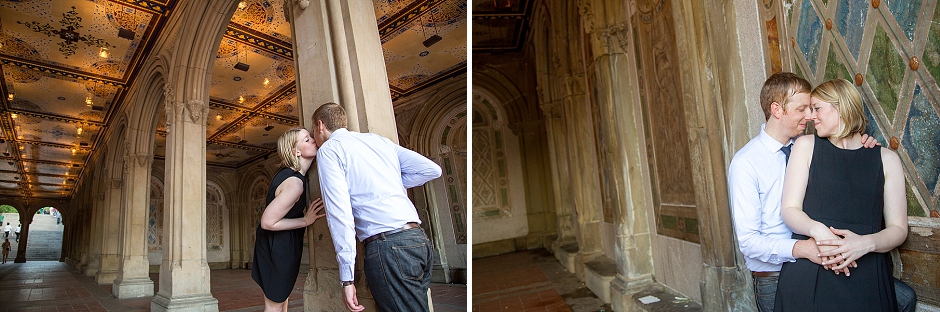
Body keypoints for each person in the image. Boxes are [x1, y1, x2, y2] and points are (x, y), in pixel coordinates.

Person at [729, 73, 915, 312]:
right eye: (804, 109)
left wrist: (864, 145)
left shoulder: (805, 144)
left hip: (855, 264)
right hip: (777, 272)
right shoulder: (748, 162)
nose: (809, 117)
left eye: (814, 108)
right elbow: (749, 241)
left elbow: (895, 225)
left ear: (842, 108)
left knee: (904, 298)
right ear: (777, 110)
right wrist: (810, 245)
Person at [311, 103, 442, 312]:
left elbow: (339, 215)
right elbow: (431, 169)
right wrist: (387, 183)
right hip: (419, 240)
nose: (315, 141)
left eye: (313, 133)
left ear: (320, 126)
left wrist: (347, 278)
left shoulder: (329, 149)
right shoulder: (378, 141)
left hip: (388, 246)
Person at [251, 127, 326, 312]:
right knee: (275, 306)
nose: (313, 140)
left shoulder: (293, 176)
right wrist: (305, 221)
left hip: (279, 245)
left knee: (280, 302)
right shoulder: (295, 183)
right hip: (278, 248)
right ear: (296, 151)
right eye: (307, 139)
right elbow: (267, 222)